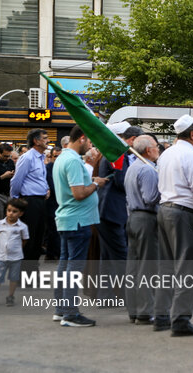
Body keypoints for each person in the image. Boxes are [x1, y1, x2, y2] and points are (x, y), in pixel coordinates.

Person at [52, 126, 108, 326]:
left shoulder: (63, 158)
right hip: (78, 220)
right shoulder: (74, 160)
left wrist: (90, 180)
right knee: (73, 268)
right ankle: (70, 313)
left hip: (68, 219)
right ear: (82, 139)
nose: (91, 146)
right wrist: (96, 184)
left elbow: (73, 186)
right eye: (91, 142)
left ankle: (61, 310)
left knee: (65, 265)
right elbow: (78, 193)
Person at [154, 114, 193, 336]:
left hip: (165, 209)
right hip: (184, 212)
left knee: (165, 266)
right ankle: (181, 320)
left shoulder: (167, 153)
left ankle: (162, 315)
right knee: (187, 267)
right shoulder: (190, 155)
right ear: (192, 134)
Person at [97, 126, 143, 299]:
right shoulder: (118, 153)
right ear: (132, 140)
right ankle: (130, 296)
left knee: (108, 257)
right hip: (112, 212)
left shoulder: (117, 152)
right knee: (121, 256)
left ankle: (106, 296)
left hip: (108, 211)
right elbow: (121, 180)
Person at [124, 135, 161, 325]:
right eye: (156, 146)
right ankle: (145, 311)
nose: (158, 149)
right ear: (148, 150)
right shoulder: (147, 169)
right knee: (147, 266)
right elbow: (150, 197)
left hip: (133, 218)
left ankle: (134, 310)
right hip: (146, 218)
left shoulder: (133, 167)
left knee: (134, 266)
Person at [10, 129, 50, 274]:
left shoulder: (41, 157)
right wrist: (15, 200)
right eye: (45, 138)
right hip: (29, 201)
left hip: (40, 201)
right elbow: (17, 180)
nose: (48, 140)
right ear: (36, 141)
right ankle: (24, 274)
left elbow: (39, 178)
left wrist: (46, 189)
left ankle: (33, 272)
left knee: (38, 238)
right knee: (29, 238)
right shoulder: (27, 158)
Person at [0, 198, 29, 307]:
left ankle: (10, 296)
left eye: (14, 211)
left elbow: (24, 240)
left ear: (21, 213)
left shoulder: (22, 227)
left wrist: (17, 249)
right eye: (9, 210)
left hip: (16, 258)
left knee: (13, 278)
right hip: (2, 257)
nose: (10, 213)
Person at [44, 146, 63, 261]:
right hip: (51, 202)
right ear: (51, 157)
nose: (58, 158)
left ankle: (52, 253)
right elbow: (52, 186)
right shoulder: (48, 168)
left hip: (61, 202)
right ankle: (53, 253)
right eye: (55, 156)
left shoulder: (63, 167)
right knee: (53, 229)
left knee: (57, 229)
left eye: (60, 156)